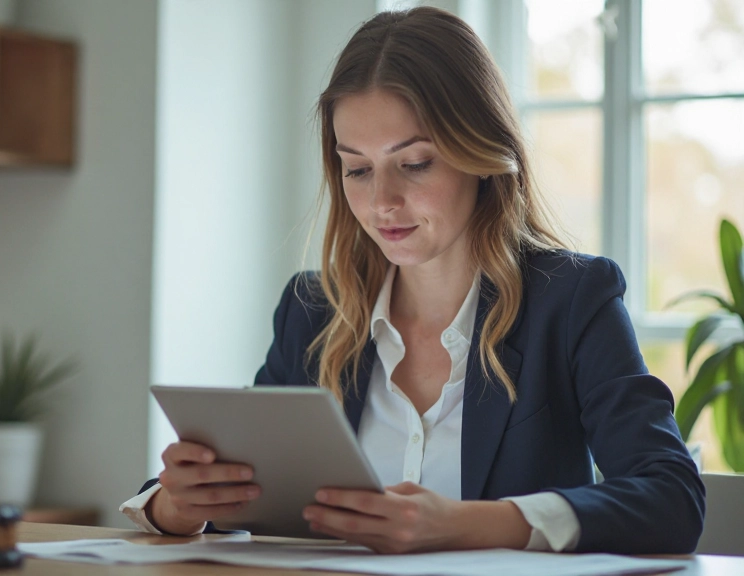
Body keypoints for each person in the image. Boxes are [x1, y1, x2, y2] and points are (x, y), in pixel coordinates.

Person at [120, 7, 704, 554]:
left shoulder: (573, 301)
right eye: (357, 169)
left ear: (480, 150)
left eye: (416, 163)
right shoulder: (313, 312)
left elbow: (672, 496)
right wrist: (179, 506)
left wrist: (468, 525)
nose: (382, 202)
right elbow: (244, 488)